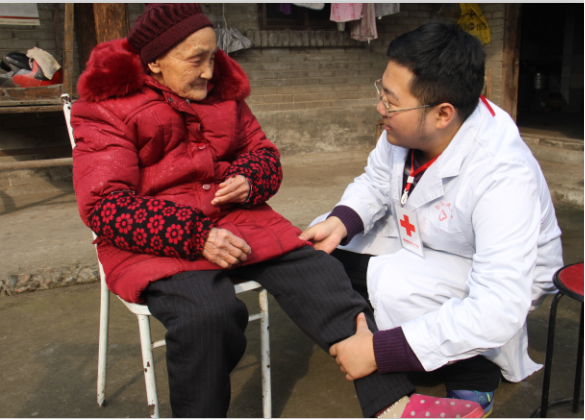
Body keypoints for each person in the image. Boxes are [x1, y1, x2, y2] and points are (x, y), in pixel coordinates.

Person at [71, 4, 485, 418]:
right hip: (156, 239)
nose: (210, 72)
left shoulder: (224, 97)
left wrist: (250, 179)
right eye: (196, 60)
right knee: (207, 315)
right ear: (155, 62)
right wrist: (195, 236)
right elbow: (105, 205)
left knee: (321, 272)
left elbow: (264, 155)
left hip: (236, 221)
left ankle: (392, 404)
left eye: (213, 56)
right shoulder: (108, 107)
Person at [302, 21, 564, 418]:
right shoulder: (406, 129)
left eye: (391, 101)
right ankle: (389, 329)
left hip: (495, 272)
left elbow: (497, 304)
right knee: (325, 237)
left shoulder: (503, 174)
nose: (380, 108)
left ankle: (476, 371)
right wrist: (342, 221)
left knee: (396, 286)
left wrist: (378, 352)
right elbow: (377, 181)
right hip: (430, 235)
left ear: (443, 113)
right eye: (381, 92)